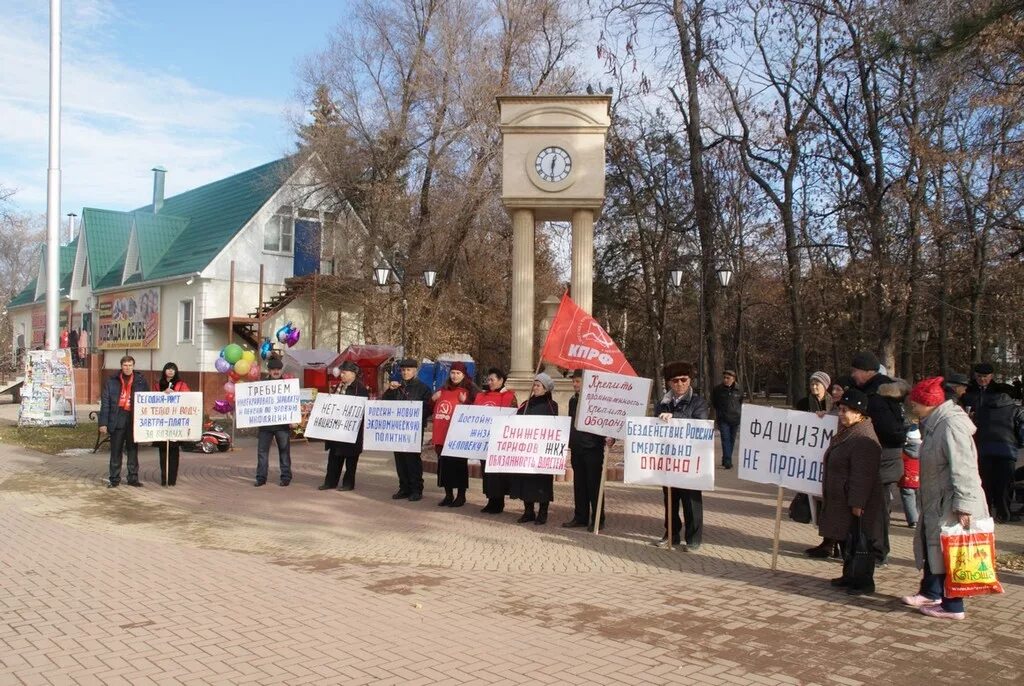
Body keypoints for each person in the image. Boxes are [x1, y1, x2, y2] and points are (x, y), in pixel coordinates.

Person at [902, 377, 989, 620]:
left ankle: (953, 606)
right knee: (937, 550)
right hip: (938, 501)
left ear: (928, 403)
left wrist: (964, 505)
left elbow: (964, 468)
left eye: (916, 402)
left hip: (951, 503)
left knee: (953, 553)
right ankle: (934, 593)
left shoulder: (950, 426)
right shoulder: (935, 422)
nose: (913, 407)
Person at [821, 388, 884, 595]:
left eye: (845, 410)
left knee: (860, 541)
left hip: (856, 501)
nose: (841, 414)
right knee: (847, 539)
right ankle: (849, 575)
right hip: (843, 497)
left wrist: (858, 503)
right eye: (840, 409)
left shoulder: (864, 437)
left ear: (859, 413)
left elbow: (863, 475)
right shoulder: (849, 431)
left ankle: (863, 581)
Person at [850, 352, 908, 563]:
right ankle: (871, 548)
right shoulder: (880, 391)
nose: (853, 374)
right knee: (877, 507)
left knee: (877, 509)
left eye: (855, 370)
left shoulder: (877, 397)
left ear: (868, 372)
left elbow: (890, 430)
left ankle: (877, 551)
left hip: (882, 460)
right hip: (883, 459)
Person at [652, 361, 709, 551]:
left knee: (691, 500)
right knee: (670, 499)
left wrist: (675, 420)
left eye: (684, 380)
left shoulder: (698, 402)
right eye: (675, 381)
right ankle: (671, 534)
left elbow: (700, 425)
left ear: (689, 380)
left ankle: (693, 539)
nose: (680, 384)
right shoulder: (662, 404)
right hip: (668, 459)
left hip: (690, 460)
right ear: (669, 383)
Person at [962, 363, 1024, 523]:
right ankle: (1004, 513)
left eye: (985, 376)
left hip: (982, 445)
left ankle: (987, 512)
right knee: (1004, 482)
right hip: (1006, 448)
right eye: (979, 376)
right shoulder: (971, 393)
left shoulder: (989, 400)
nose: (982, 379)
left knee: (985, 480)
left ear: (991, 376)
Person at [564, 369, 614, 531]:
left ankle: (599, 518)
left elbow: (606, 421)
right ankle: (581, 517)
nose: (575, 384)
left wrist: (609, 437)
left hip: (593, 448)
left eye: (578, 381)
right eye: (573, 382)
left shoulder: (597, 400)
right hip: (577, 447)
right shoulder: (573, 400)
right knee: (579, 484)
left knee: (594, 485)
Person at [509, 373, 559, 525]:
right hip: (526, 450)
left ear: (545, 389)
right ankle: (528, 511)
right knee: (526, 480)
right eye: (534, 385)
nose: (535, 387)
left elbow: (554, 426)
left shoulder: (552, 405)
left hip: (542, 451)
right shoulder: (526, 404)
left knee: (542, 481)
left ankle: (543, 512)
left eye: (538, 385)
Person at [382, 358, 433, 501]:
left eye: (408, 370)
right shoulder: (396, 387)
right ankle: (404, 487)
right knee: (400, 459)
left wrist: (415, 414)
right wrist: (390, 391)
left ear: (415, 371)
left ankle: (416, 489)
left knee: (412, 460)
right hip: (397, 430)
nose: (405, 372)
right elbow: (385, 405)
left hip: (413, 430)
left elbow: (428, 408)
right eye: (403, 370)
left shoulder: (423, 388)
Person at [99, 355, 149, 488]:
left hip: (133, 418)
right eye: (125, 365)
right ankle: (114, 479)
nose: (127, 368)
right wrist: (103, 423)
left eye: (130, 365)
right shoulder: (112, 381)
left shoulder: (140, 381)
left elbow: (148, 400)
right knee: (116, 450)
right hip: (117, 417)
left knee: (133, 450)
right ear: (121, 366)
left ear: (133, 366)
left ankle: (133, 478)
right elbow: (105, 403)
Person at [319, 361, 369, 492]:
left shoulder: (360, 389)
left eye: (344, 373)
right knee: (334, 458)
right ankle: (330, 482)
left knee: (351, 460)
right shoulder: (338, 387)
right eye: (341, 372)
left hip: (351, 431)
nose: (341, 375)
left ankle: (348, 483)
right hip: (336, 431)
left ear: (353, 374)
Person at [433, 362, 477, 507]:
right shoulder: (443, 389)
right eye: (453, 373)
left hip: (458, 435)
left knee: (458, 466)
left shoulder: (469, 390)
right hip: (442, 433)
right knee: (444, 466)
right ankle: (448, 494)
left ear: (463, 375)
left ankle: (461, 495)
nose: (455, 376)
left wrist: (467, 402)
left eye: (458, 373)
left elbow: (478, 410)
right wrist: (433, 399)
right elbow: (431, 408)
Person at [474, 367, 517, 514]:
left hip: (499, 441)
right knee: (487, 472)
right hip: (484, 439)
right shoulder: (482, 396)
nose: (489, 382)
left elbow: (513, 417)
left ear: (501, 380)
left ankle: (499, 502)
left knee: (497, 473)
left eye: (492, 379)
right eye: (488, 379)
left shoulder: (510, 397)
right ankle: (490, 500)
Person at [254, 357, 294, 487]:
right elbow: (255, 403)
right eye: (273, 369)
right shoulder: (262, 385)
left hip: (282, 426)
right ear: (269, 371)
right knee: (262, 452)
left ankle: (286, 477)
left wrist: (293, 419)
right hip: (265, 425)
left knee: (284, 451)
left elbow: (291, 403)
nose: (276, 371)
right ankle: (261, 478)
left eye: (278, 369)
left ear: (281, 370)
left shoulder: (288, 385)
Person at [157, 362, 190, 487]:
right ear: (164, 371)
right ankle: (164, 478)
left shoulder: (181, 384)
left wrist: (175, 394)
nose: (170, 371)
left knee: (174, 453)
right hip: (161, 423)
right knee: (163, 452)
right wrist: (162, 394)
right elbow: (152, 399)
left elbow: (188, 399)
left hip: (176, 424)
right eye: (168, 369)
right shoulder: (158, 384)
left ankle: (172, 479)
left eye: (173, 369)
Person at [710, 369, 742, 469]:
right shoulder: (717, 389)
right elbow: (714, 402)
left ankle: (726, 458)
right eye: (724, 378)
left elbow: (740, 401)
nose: (726, 380)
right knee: (725, 439)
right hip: (723, 418)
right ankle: (728, 461)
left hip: (735, 418)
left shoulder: (739, 389)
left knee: (732, 440)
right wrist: (720, 413)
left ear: (733, 379)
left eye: (728, 378)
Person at [899, 425, 922, 528]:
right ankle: (919, 517)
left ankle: (913, 520)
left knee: (908, 499)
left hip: (906, 479)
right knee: (919, 499)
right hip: (920, 479)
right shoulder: (924, 449)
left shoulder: (903, 451)